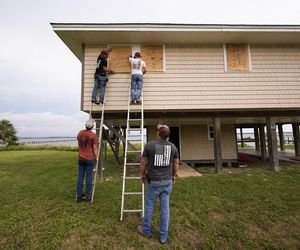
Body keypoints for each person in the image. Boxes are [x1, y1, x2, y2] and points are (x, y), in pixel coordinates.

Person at [138, 124, 179, 244]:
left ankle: (146, 231)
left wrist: (142, 175)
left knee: (149, 206)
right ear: (168, 136)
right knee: (165, 208)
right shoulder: (173, 147)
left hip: (153, 182)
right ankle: (163, 237)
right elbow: (176, 163)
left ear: (158, 134)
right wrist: (173, 175)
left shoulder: (150, 145)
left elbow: (143, 162)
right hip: (167, 181)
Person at [76, 118, 98, 202]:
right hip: (89, 158)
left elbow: (79, 140)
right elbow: (95, 148)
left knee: (80, 177)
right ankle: (88, 196)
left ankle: (79, 195)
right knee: (89, 177)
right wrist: (96, 157)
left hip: (80, 158)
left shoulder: (80, 133)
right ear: (92, 127)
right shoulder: (93, 135)